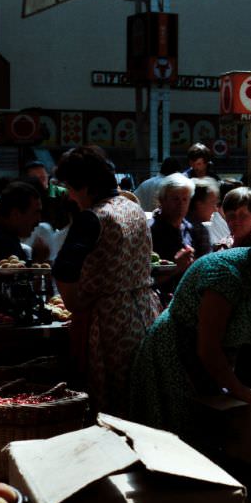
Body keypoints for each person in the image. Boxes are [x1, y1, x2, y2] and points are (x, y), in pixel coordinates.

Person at [129, 241, 251, 436]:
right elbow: (209, 348)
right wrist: (242, 391)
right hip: (174, 355)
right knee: (178, 434)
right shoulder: (225, 276)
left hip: (208, 360)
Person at [51, 146, 161, 415]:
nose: (70, 195)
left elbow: (64, 269)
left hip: (111, 321)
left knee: (112, 402)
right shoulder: (133, 207)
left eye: (70, 187)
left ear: (84, 186)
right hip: (145, 313)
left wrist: (75, 305)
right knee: (141, 395)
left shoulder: (94, 217)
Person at [150, 173, 198, 297]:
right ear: (162, 200)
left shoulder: (189, 228)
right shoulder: (150, 232)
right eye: (175, 199)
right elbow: (145, 281)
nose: (181, 204)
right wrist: (176, 267)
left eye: (185, 199)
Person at [24, 160, 71, 231]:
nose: (41, 180)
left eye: (43, 176)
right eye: (36, 178)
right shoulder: (26, 196)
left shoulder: (55, 190)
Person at [186, 177, 220, 257]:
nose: (215, 209)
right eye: (213, 203)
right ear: (199, 204)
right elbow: (206, 262)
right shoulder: (200, 230)